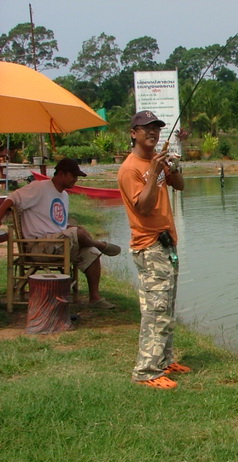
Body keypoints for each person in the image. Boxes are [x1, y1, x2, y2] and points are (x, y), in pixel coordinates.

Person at [117, 110, 189, 389]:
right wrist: (154, 175)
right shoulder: (130, 168)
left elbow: (180, 187)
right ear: (133, 133)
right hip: (149, 246)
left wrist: (172, 168)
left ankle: (164, 361)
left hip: (167, 243)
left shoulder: (157, 162)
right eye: (146, 128)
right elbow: (143, 207)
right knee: (155, 311)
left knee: (166, 307)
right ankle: (146, 371)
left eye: (157, 128)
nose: (153, 132)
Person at [0, 158, 121, 308]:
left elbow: (59, 224)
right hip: (39, 246)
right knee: (77, 233)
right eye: (73, 176)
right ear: (62, 174)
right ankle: (101, 244)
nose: (75, 180)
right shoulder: (39, 187)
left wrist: (77, 230)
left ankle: (94, 297)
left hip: (60, 243)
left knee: (92, 251)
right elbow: (11, 199)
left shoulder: (64, 196)